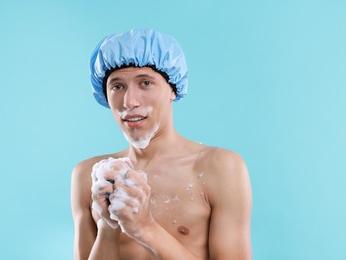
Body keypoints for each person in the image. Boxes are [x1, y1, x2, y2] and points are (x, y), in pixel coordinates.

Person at [71, 28, 252, 260]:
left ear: (172, 89)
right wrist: (108, 228)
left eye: (145, 83)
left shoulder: (220, 167)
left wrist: (145, 228)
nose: (129, 101)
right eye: (117, 86)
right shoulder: (89, 176)